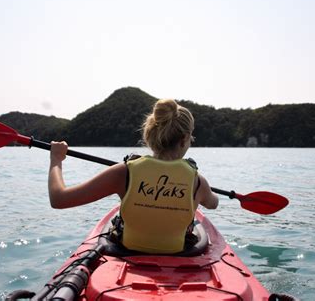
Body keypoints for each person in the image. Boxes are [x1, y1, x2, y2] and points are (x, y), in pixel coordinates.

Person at [49, 99, 218, 254]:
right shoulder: (197, 182)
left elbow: (59, 199)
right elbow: (213, 203)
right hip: (180, 255)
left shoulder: (124, 172)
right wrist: (206, 192)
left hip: (126, 252)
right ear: (184, 139)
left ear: (148, 135)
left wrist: (56, 159)